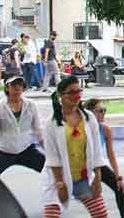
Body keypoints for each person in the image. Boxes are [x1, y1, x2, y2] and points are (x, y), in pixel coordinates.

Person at [40, 76, 108, 218]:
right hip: (57, 179)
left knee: (101, 214)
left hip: (83, 177)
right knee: (52, 215)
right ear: (60, 96)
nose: (76, 95)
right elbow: (53, 158)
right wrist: (60, 185)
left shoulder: (89, 118)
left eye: (79, 91)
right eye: (71, 92)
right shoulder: (50, 124)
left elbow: (96, 152)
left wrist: (97, 178)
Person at [0, 76, 45, 175]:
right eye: (13, 84)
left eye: (20, 84)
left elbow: (38, 130)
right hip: (4, 151)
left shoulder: (31, 105)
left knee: (47, 167)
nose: (17, 87)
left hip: (26, 150)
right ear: (7, 88)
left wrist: (48, 151)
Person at [84, 99, 124, 218]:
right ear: (90, 113)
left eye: (105, 110)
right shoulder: (82, 128)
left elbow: (111, 154)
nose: (104, 113)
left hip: (98, 164)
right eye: (101, 111)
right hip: (82, 166)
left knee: (120, 188)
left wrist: (118, 177)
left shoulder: (105, 129)